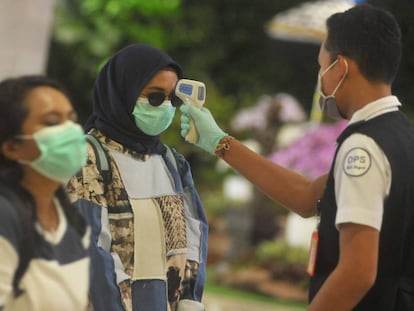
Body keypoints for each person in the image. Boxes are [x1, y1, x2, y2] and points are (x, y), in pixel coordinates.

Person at [179, 4, 414, 311]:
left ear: (340, 68)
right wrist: (220, 142)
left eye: (322, 67)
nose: (322, 79)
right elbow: (307, 197)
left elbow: (357, 273)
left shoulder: (364, 148)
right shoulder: (401, 134)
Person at [65, 44, 208, 311]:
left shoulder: (172, 163)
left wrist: (190, 297)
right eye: (155, 98)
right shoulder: (87, 157)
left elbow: (194, 232)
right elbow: (90, 247)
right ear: (123, 93)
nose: (165, 107)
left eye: (171, 99)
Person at [0, 75, 90, 310]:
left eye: (71, 120)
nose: (70, 131)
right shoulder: (6, 216)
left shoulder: (72, 220)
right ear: (12, 147)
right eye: (51, 122)